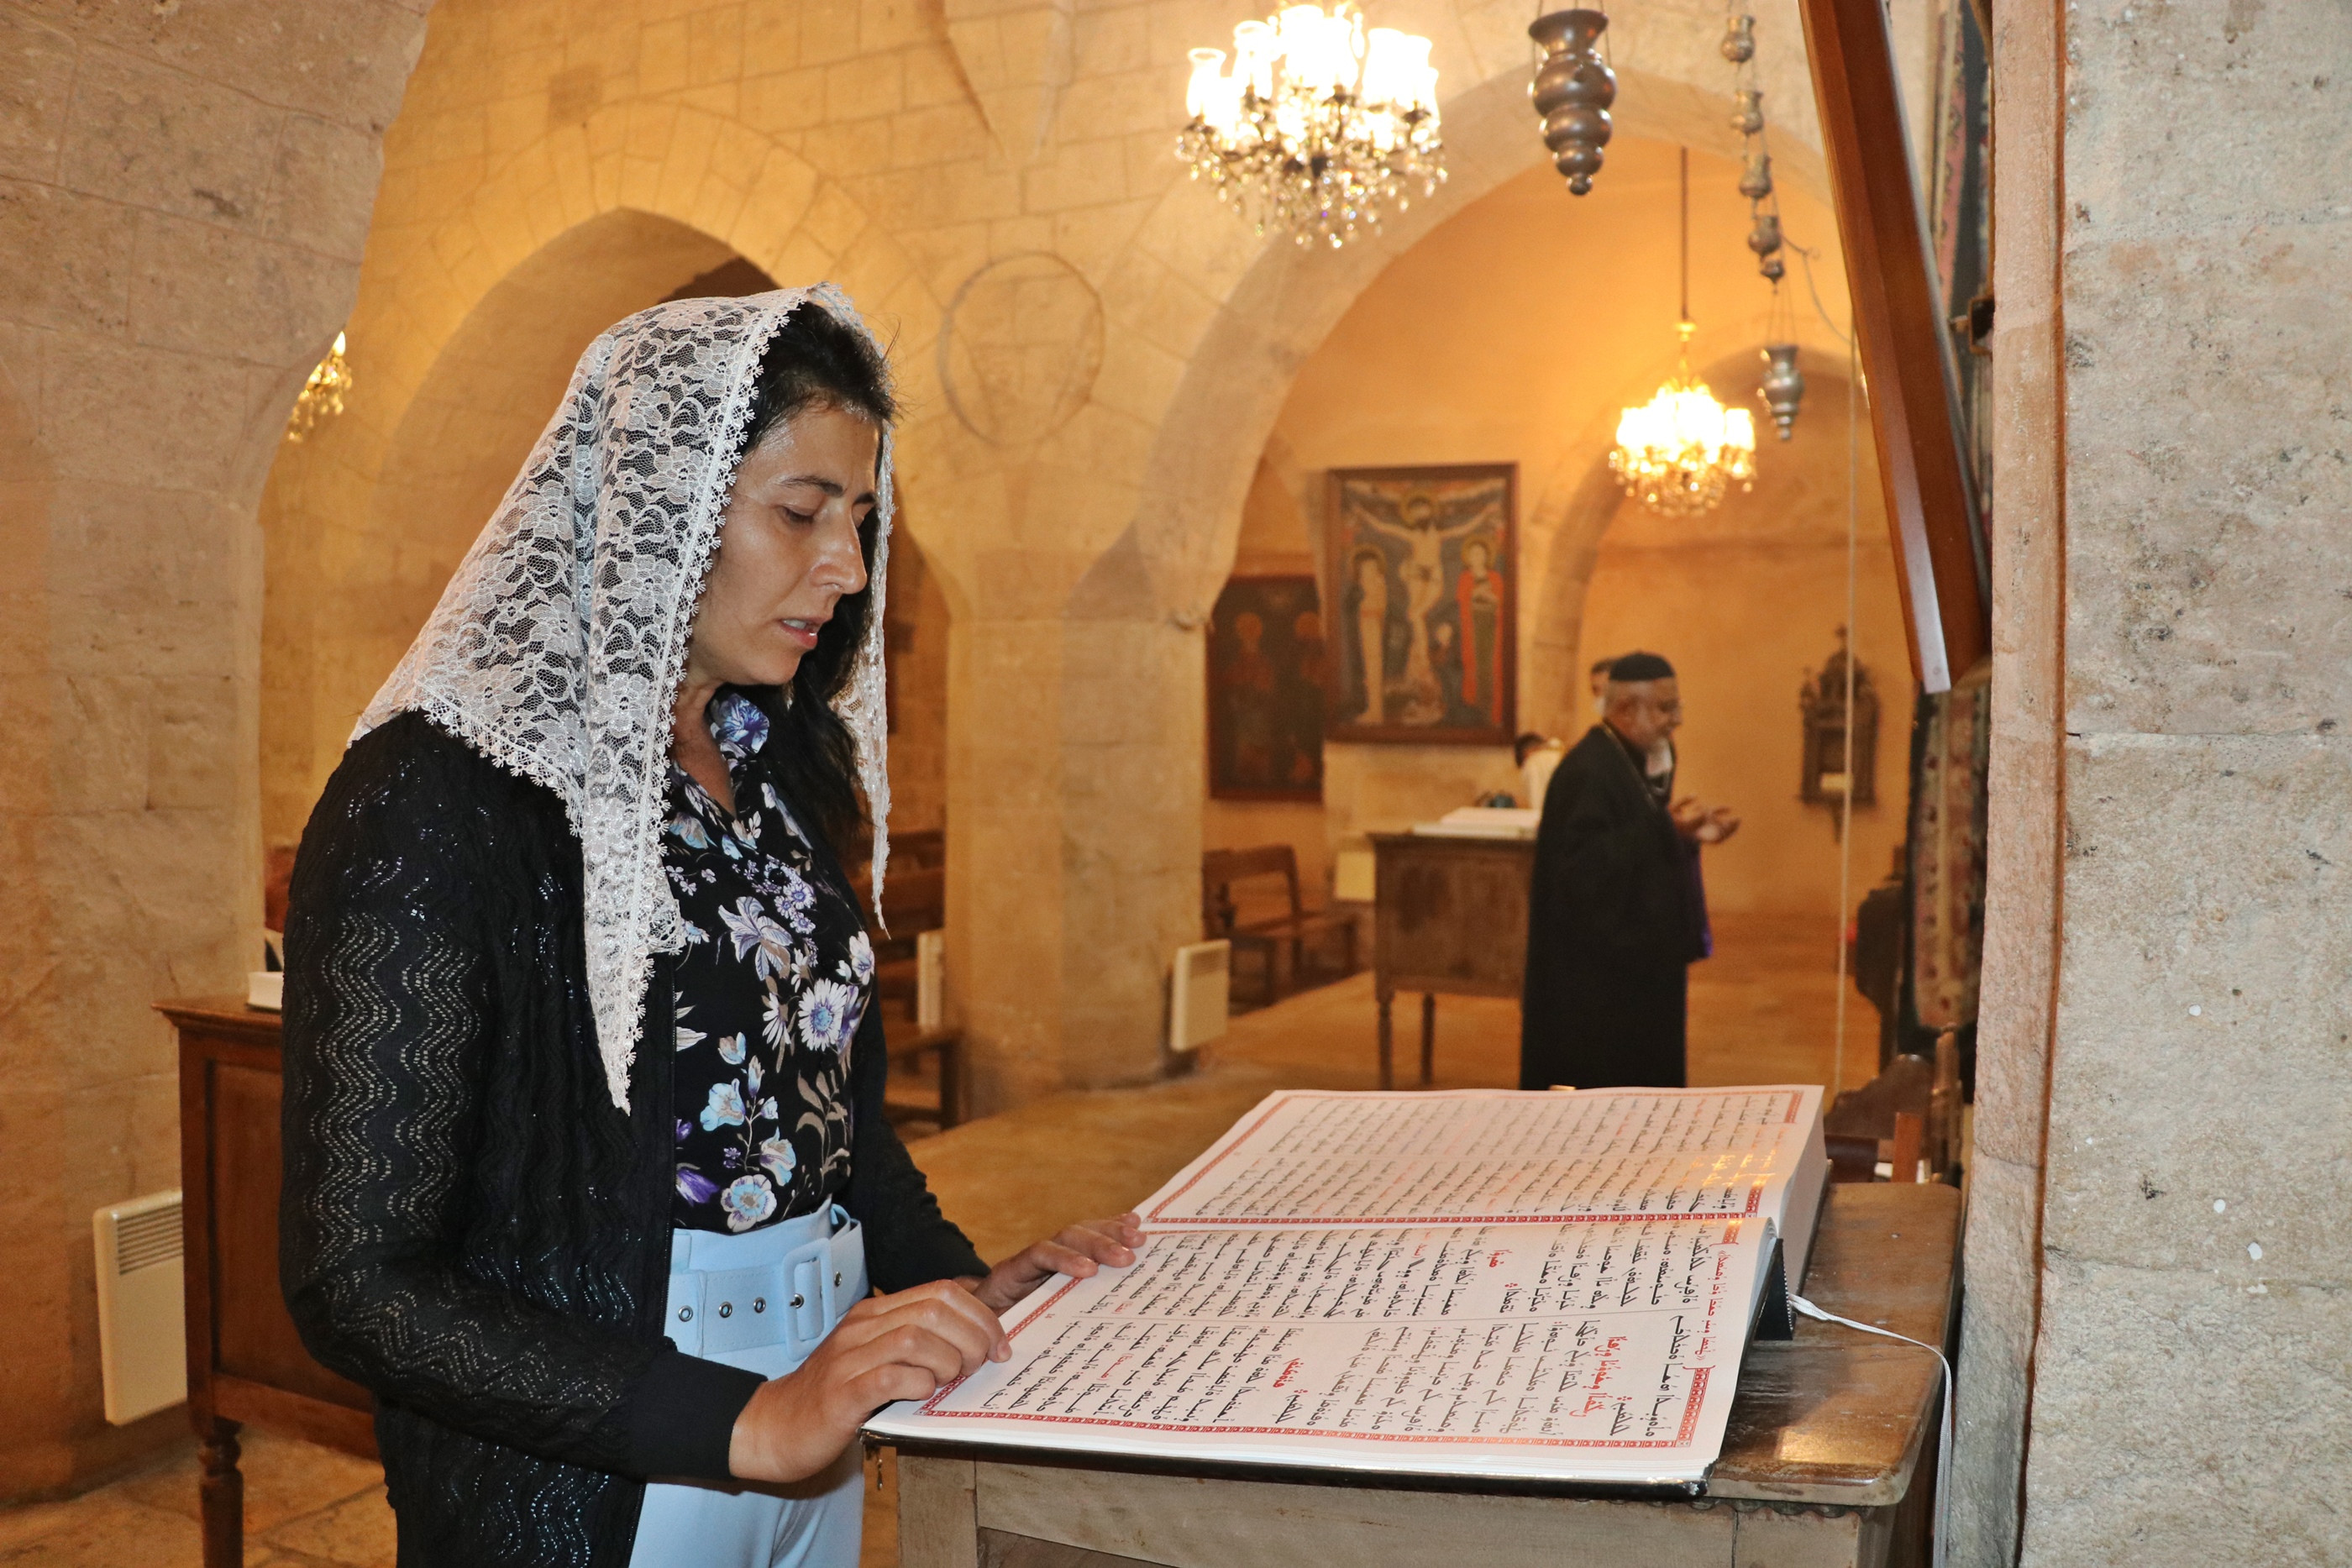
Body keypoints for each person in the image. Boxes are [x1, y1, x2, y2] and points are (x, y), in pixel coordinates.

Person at [279, 288, 1142, 1568]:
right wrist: (744, 1418)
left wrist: (951, 1286)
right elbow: (360, 1279)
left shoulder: (772, 759)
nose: (847, 566)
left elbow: (833, 1115)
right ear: (653, 502)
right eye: (800, 511)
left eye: (859, 518)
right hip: (599, 1453)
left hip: (818, 1392)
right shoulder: (441, 794)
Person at [1520, 651, 1739, 1091]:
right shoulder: (1589, 771)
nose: (1676, 720)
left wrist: (1688, 834)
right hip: (1596, 987)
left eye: (1676, 706)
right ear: (1624, 709)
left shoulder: (1630, 759)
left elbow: (1637, 841)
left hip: (1638, 972)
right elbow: (1581, 872)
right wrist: (1665, 829)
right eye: (1665, 708)